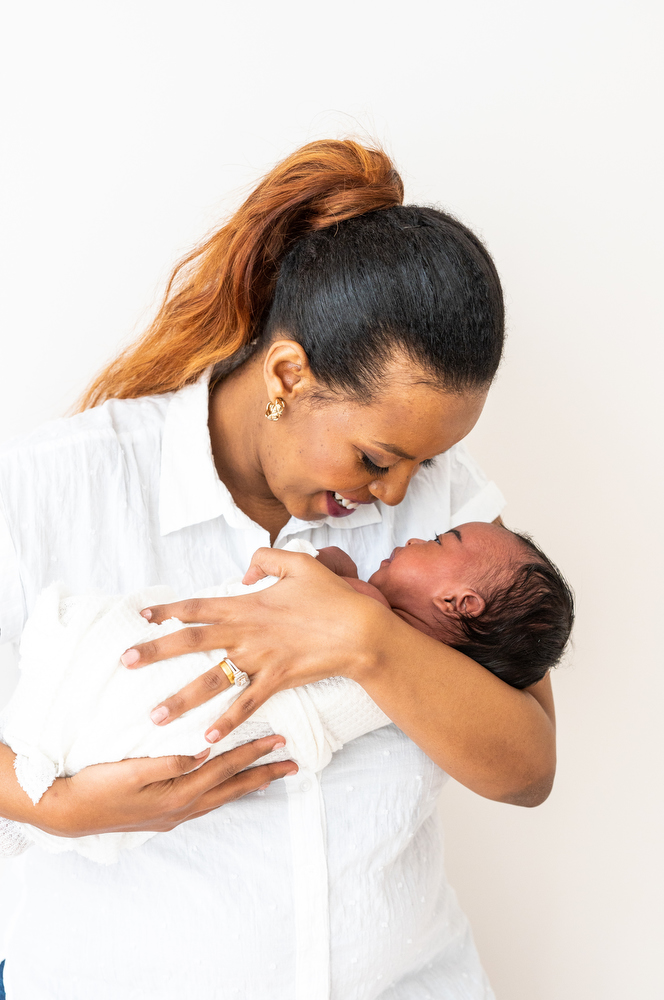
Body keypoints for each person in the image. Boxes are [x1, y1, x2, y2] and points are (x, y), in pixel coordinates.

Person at [0, 139, 557, 999]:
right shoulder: (57, 486)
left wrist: (367, 638)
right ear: (289, 375)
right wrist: (57, 809)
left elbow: (526, 770)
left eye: (424, 463)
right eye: (378, 456)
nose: (398, 493)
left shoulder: (445, 520)